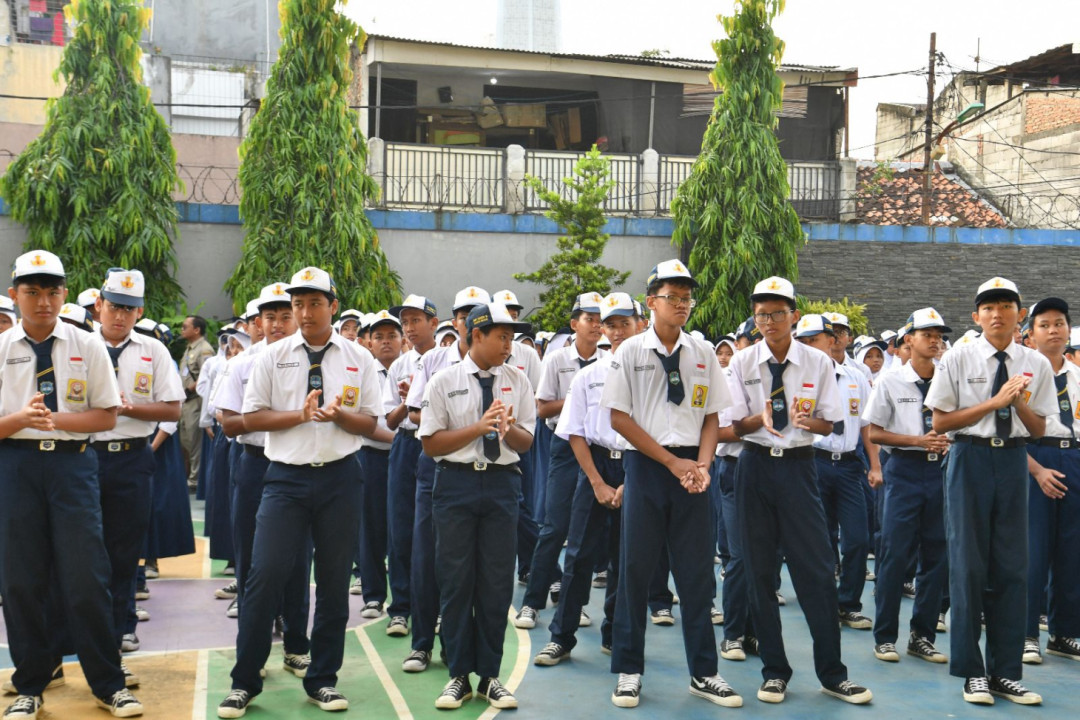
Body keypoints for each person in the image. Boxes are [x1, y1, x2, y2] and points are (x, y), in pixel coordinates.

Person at [217, 266, 382, 718]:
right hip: (285, 480)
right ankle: (244, 681)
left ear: (333, 305)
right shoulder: (272, 357)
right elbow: (250, 418)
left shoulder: (358, 357)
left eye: (314, 303)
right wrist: (299, 415)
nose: (305, 313)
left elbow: (370, 422)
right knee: (264, 575)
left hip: (340, 478)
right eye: (298, 304)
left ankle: (322, 679)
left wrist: (338, 416)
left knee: (332, 582)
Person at [0, 250, 144, 718]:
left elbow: (106, 415)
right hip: (16, 467)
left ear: (64, 294)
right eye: (32, 292)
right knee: (21, 580)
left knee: (87, 577)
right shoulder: (1, 349)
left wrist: (53, 420)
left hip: (73, 467)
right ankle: (31, 684)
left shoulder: (87, 344)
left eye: (52, 292)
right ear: (14, 294)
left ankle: (108, 683)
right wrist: (21, 420)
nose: (43, 302)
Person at [602, 260, 741, 709]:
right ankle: (629, 669)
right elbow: (618, 417)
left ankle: (704, 672)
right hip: (647, 467)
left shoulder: (702, 352)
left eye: (686, 298)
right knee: (636, 571)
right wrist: (670, 462)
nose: (681, 305)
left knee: (697, 573)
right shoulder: (629, 352)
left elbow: (712, 415)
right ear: (651, 302)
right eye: (672, 297)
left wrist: (702, 464)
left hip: (693, 471)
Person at [727, 276, 872, 706]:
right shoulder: (742, 362)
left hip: (799, 466)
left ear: (794, 315)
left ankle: (833, 673)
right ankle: (775, 671)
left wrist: (809, 422)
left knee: (816, 570)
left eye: (777, 313)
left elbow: (830, 422)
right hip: (754, 466)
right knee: (759, 571)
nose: (769, 321)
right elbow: (733, 426)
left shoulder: (817, 362)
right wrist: (757, 419)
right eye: (761, 314)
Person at [924, 277, 1056, 706]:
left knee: (1012, 568)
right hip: (970, 458)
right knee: (968, 567)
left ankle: (1005, 672)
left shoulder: (1035, 364)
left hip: (1013, 460)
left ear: (1021, 314)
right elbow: (941, 422)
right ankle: (971, 672)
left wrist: (1017, 403)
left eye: (1006, 306)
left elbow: (1039, 429)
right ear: (976, 315)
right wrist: (994, 403)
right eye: (988, 307)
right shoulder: (957, 358)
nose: (997, 314)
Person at [422, 301, 535, 711]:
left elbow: (526, 442)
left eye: (511, 337)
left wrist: (508, 429)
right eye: (502, 337)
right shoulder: (444, 381)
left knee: (495, 582)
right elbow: (431, 443)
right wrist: (477, 428)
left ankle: (489, 676)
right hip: (456, 483)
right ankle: (458, 675)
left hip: (502, 483)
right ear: (477, 335)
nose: (509, 345)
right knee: (456, 580)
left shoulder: (518, 380)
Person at [532, 291, 640, 666]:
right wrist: (596, 482)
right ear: (603, 330)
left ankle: (615, 633)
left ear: (639, 325)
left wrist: (630, 482)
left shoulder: (651, 376)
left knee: (625, 559)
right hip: (594, 466)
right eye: (611, 324)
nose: (617, 330)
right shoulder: (588, 376)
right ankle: (561, 637)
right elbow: (575, 431)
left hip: (637, 468)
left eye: (625, 323)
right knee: (578, 554)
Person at [212, 282, 313, 677]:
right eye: (269, 317)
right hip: (255, 464)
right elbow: (229, 423)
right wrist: (279, 420)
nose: (277, 324)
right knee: (251, 555)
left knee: (297, 557)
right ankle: (252, 651)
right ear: (257, 322)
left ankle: (296, 644)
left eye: (285, 315)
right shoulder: (242, 365)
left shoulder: (310, 362)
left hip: (297, 464)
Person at [92, 269, 184, 659]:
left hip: (132, 457)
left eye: (129, 309)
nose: (120, 316)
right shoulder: (80, 346)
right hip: (85, 457)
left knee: (126, 549)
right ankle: (86, 630)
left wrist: (131, 409)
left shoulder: (153, 350)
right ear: (99, 305)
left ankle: (123, 626)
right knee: (83, 549)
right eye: (114, 306)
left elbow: (172, 409)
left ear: (140, 311)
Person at [864, 307, 952, 666]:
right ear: (908, 340)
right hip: (903, 469)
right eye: (927, 334)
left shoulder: (948, 377)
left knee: (936, 556)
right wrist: (917, 441)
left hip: (941, 470)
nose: (934, 341)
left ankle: (922, 636)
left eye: (939, 335)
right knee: (895, 554)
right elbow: (875, 432)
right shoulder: (891, 380)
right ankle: (885, 636)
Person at [515, 292, 607, 630]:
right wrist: (578, 397)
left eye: (600, 320)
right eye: (589, 319)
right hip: (565, 445)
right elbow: (542, 408)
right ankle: (532, 603)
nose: (596, 325)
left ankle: (573, 605)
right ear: (574, 324)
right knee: (554, 526)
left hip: (597, 448)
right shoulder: (557, 360)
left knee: (585, 533)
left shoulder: (609, 360)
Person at [803, 314, 879, 631]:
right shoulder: (798, 378)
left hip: (848, 465)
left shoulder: (854, 377)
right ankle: (823, 605)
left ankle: (848, 604)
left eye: (816, 339)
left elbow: (866, 426)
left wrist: (875, 465)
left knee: (858, 539)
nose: (811, 346)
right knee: (820, 541)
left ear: (833, 341)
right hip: (814, 462)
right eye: (805, 341)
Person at [1020, 297, 1080, 663]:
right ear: (1030, 335)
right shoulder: (1022, 376)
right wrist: (1037, 470)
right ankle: (1027, 633)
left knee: (1072, 551)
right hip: (1035, 457)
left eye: (1059, 323)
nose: (1053, 330)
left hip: (1074, 458)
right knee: (1033, 551)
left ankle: (1064, 632)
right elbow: (1010, 433)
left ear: (1069, 330)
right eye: (1044, 325)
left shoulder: (1078, 376)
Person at [382, 294, 439, 669]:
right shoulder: (399, 366)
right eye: (405, 321)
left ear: (434, 323)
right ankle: (400, 608)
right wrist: (408, 401)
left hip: (436, 445)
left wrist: (420, 400)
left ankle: (436, 610)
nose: (409, 327)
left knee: (434, 534)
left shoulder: (449, 361)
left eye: (416, 320)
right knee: (401, 529)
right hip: (405, 445)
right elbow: (390, 420)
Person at [356, 310, 403, 619]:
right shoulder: (362, 373)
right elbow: (364, 424)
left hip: (407, 459)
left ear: (401, 340)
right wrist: (400, 441)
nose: (386, 342)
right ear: (369, 343)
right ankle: (373, 595)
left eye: (391, 336)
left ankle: (402, 599)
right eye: (379, 337)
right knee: (371, 527)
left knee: (401, 529)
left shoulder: (412, 368)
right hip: (373, 457)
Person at [179, 314, 215, 491]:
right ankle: (191, 476)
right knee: (186, 439)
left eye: (185, 326)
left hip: (196, 400)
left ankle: (195, 480)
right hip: (186, 401)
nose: (182, 329)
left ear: (197, 330)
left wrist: (190, 389)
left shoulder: (204, 349)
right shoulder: (190, 348)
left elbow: (206, 375)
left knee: (195, 441)